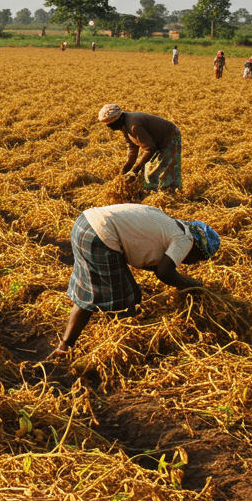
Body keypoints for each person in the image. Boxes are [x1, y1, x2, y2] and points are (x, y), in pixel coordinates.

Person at [51, 203, 220, 356]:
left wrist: (182, 283)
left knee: (88, 291)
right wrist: (194, 285)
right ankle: (126, 350)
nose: (194, 263)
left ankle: (65, 346)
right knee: (126, 298)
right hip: (101, 235)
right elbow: (164, 272)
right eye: (199, 258)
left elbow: (155, 265)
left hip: (85, 223)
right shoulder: (186, 240)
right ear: (198, 248)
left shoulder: (169, 225)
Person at [98, 104, 181, 192]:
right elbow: (132, 146)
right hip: (151, 140)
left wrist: (134, 170)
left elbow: (150, 149)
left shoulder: (134, 125)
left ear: (118, 119)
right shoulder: (124, 124)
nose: (110, 128)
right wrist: (126, 167)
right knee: (143, 168)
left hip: (169, 136)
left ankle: (167, 193)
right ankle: (148, 190)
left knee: (158, 170)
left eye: (111, 124)